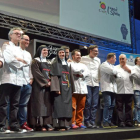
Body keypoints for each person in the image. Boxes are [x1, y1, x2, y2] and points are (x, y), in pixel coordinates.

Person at [0, 27, 27, 133]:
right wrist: (20, 62)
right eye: (17, 33)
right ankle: (1, 125)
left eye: (20, 33)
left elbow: (27, 62)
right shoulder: (7, 46)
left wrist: (19, 60)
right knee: (4, 104)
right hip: (8, 78)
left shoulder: (20, 50)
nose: (19, 35)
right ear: (10, 35)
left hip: (18, 80)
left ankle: (14, 125)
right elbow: (9, 60)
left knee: (15, 104)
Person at [29, 45, 53, 131]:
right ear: (39, 51)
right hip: (38, 86)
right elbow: (36, 73)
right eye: (44, 50)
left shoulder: (49, 62)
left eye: (47, 50)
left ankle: (46, 123)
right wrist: (45, 82)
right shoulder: (35, 61)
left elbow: (51, 74)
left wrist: (50, 81)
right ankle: (38, 124)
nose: (46, 52)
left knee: (47, 105)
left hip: (48, 86)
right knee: (38, 104)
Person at [50, 48, 75, 130]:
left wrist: (72, 89)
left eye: (63, 53)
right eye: (60, 53)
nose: (62, 54)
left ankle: (66, 124)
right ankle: (59, 125)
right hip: (60, 87)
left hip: (67, 88)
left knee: (67, 107)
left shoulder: (68, 64)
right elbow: (54, 77)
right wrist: (56, 88)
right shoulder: (55, 64)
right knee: (59, 106)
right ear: (57, 54)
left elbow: (70, 76)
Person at [81, 45, 101, 128]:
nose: (97, 52)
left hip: (96, 84)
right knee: (88, 103)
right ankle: (87, 121)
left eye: (97, 51)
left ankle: (93, 121)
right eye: (95, 51)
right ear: (90, 51)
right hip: (87, 83)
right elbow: (77, 63)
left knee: (94, 104)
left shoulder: (98, 60)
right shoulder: (83, 58)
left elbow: (99, 71)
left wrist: (99, 80)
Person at [18, 35, 33, 131]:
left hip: (27, 82)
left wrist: (31, 78)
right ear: (20, 40)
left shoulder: (28, 54)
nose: (27, 42)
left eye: (28, 40)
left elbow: (29, 68)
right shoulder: (15, 51)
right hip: (17, 82)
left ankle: (23, 123)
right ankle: (12, 123)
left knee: (23, 105)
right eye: (26, 40)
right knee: (13, 104)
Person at [70, 49, 89, 129]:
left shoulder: (83, 65)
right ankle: (72, 122)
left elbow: (88, 73)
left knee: (81, 107)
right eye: (77, 55)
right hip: (74, 89)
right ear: (73, 56)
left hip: (83, 89)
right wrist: (82, 72)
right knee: (73, 107)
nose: (79, 56)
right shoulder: (70, 64)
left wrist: (81, 74)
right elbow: (75, 70)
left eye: (80, 55)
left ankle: (79, 122)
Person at [100, 53, 119, 128]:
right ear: (111, 58)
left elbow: (118, 75)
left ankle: (109, 121)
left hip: (113, 88)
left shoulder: (112, 66)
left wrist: (116, 73)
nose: (115, 60)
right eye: (115, 58)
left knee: (112, 105)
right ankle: (105, 122)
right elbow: (113, 72)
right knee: (107, 105)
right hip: (106, 88)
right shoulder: (104, 65)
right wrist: (116, 72)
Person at [115, 54, 133, 127]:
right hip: (119, 90)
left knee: (128, 107)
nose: (122, 60)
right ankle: (121, 122)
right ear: (119, 60)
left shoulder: (132, 68)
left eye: (123, 59)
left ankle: (128, 121)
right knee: (119, 107)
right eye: (120, 59)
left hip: (129, 90)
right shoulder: (115, 68)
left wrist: (129, 70)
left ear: (126, 59)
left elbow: (137, 76)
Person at [131, 57, 140, 126]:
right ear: (136, 61)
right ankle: (136, 120)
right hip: (136, 88)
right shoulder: (134, 67)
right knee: (137, 105)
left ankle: (138, 120)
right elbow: (133, 75)